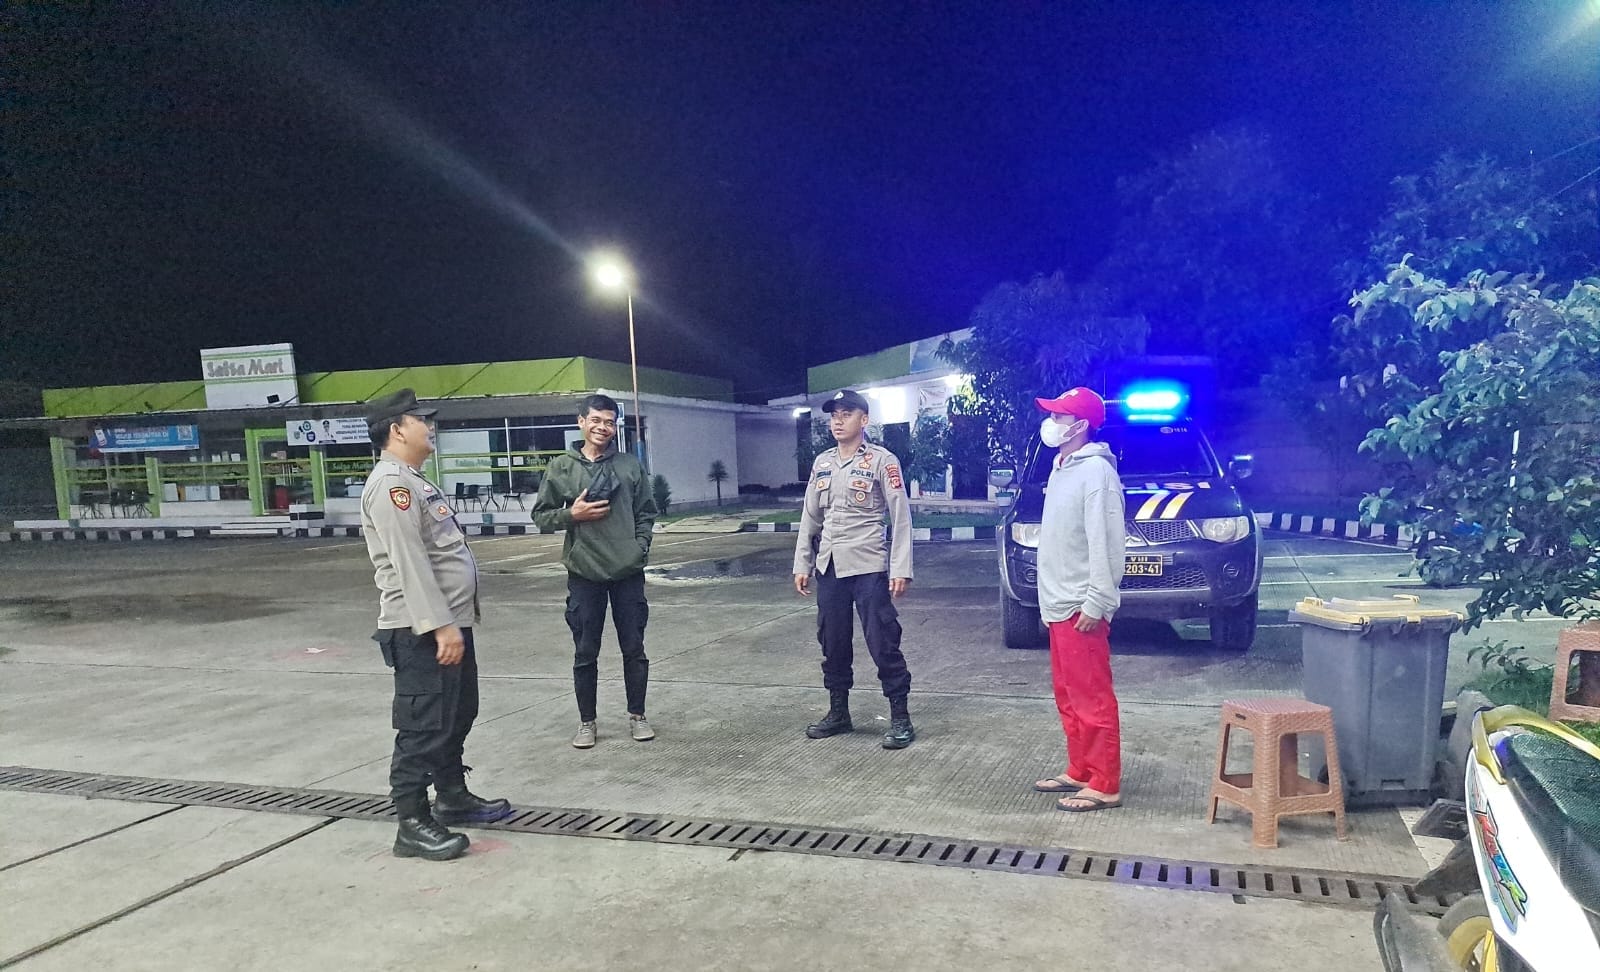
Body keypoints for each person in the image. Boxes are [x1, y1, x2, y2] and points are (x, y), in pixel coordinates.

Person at [360, 387, 511, 861]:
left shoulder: (413, 480)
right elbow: (410, 562)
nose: (430, 426)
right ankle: (411, 823)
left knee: (457, 713)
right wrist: (440, 626)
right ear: (397, 429)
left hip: (448, 623)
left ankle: (451, 795)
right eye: (420, 419)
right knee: (423, 727)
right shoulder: (391, 484)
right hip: (420, 629)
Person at [533, 393, 659, 748]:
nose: (603, 428)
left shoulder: (630, 465)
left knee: (634, 647)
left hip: (627, 572)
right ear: (581, 422)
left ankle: (638, 715)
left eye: (609, 422)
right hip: (584, 573)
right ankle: (587, 722)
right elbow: (541, 516)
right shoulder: (561, 467)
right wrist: (571, 514)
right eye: (596, 420)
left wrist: (639, 547)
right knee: (585, 651)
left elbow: (647, 512)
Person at [792, 389, 917, 749]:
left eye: (846, 414)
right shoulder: (823, 462)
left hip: (868, 565)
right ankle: (838, 712)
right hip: (830, 565)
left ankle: (900, 717)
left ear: (864, 420)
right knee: (832, 641)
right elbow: (810, 516)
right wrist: (802, 562)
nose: (838, 421)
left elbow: (900, 517)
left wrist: (900, 568)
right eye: (834, 415)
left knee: (882, 640)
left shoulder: (882, 461)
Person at [1029, 387, 1127, 812]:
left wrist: (1097, 601)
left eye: (1060, 416)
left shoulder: (1097, 473)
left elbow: (1107, 542)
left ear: (1081, 425)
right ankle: (1081, 769)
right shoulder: (1062, 468)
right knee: (1068, 694)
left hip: (1079, 604)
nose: (1052, 422)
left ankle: (1105, 782)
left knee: (1092, 696)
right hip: (1058, 601)